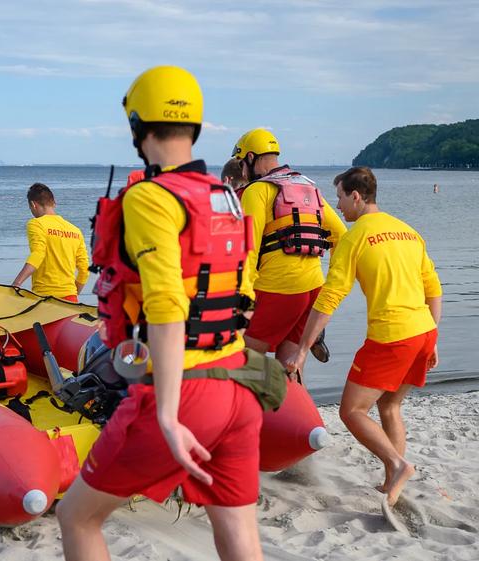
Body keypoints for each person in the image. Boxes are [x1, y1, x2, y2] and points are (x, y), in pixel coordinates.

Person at [57, 66, 269, 561]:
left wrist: (169, 416)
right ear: (194, 125)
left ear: (137, 126)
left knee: (78, 517)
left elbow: (168, 306)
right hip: (240, 381)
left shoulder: (152, 197)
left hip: (186, 391)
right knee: (238, 531)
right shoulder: (226, 196)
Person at [286, 166, 441, 506]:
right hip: (423, 331)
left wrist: (301, 349)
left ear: (356, 196)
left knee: (352, 411)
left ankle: (397, 465)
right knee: (390, 405)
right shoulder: (409, 232)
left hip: (392, 336)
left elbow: (329, 298)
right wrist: (435, 337)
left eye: (340, 196)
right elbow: (434, 288)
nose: (337, 205)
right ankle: (391, 485)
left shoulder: (354, 238)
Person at [232, 128, 346, 367]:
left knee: (246, 362)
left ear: (250, 158)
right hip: (314, 288)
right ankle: (297, 404)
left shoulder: (257, 190)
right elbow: (341, 236)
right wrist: (333, 282)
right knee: (291, 365)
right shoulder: (307, 186)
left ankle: (252, 404)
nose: (242, 170)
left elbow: (248, 248)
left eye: (241, 164)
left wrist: (243, 297)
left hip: (278, 289)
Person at [11, 182, 89, 302]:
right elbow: (84, 270)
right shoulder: (75, 231)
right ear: (54, 203)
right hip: (70, 299)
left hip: (45, 299)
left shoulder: (36, 224)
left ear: (33, 205)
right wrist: (73, 294)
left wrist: (16, 284)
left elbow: (38, 254)